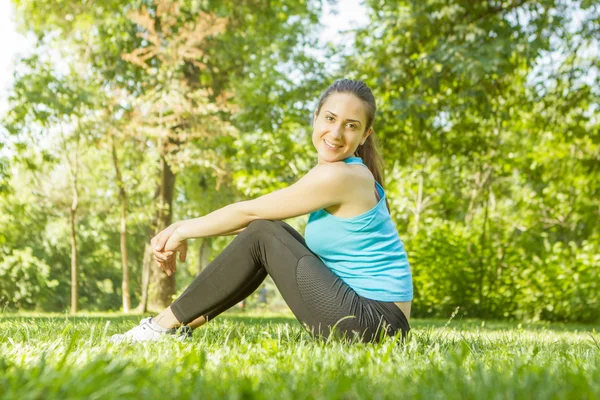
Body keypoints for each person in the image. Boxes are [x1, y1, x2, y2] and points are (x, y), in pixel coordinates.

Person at [109, 79, 413, 344]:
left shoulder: (342, 176)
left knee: (264, 232)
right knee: (265, 233)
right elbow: (251, 224)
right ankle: (175, 327)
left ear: (365, 135)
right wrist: (182, 230)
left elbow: (250, 214)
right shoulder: (344, 174)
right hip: (372, 319)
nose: (336, 132)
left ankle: (160, 328)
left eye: (351, 125)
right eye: (330, 118)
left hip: (374, 324)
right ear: (316, 118)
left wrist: (180, 229)